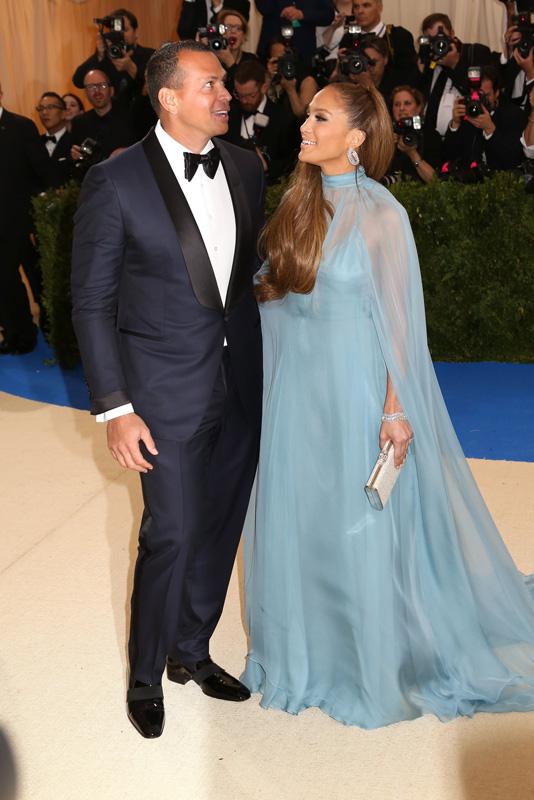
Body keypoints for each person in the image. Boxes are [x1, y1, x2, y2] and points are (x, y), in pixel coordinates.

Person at [241, 79, 534, 728]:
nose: (305, 126)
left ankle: (368, 661)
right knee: (306, 520)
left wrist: (395, 409)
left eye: (320, 117)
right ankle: (307, 650)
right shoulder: (295, 202)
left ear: (356, 136)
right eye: (307, 114)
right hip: (296, 398)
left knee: (358, 522)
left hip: (356, 392)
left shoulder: (381, 214)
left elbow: (400, 324)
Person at [71, 40, 264, 739]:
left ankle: (192, 651)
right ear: (169, 97)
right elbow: (91, 303)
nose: (225, 94)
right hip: (160, 395)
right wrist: (116, 409)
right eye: (210, 84)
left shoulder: (244, 167)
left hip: (238, 381)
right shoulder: (114, 182)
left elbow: (243, 281)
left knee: (218, 526)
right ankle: (145, 673)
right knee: (172, 533)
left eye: (223, 84)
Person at [0, 82, 56, 355]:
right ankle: (16, 333)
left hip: (20, 220)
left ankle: (47, 328)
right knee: (5, 281)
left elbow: (41, 171)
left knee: (33, 277)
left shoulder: (21, 127)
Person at [418, 13, 495, 137]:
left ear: (452, 34)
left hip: (465, 140)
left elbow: (481, 92)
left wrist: (454, 64)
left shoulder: (475, 53)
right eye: (432, 41)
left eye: (440, 38)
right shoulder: (428, 63)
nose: (439, 45)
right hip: (431, 144)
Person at [223, 59, 300, 181]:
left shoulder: (282, 119)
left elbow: (289, 163)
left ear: (264, 88)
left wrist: (266, 167)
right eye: (239, 95)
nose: (244, 101)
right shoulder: (228, 114)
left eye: (250, 95)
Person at [443, 65, 526, 172]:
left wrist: (490, 130)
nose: (480, 101)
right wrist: (455, 124)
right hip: (466, 183)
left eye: (485, 96)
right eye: (476, 95)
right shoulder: (466, 112)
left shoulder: (514, 115)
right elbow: (447, 157)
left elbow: (512, 160)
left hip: (499, 183)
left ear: (497, 93)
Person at [72, 8, 154, 106]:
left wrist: (131, 68)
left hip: (141, 115)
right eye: (114, 30)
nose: (120, 34)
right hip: (111, 118)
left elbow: (155, 89)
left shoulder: (150, 55)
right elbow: (78, 81)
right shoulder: (104, 57)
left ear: (135, 32)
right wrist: (98, 56)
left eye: (125, 29)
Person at [70, 69, 135, 166]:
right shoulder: (79, 123)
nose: (97, 91)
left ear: (111, 90)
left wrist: (127, 152)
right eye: (91, 87)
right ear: (85, 93)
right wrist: (74, 155)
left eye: (102, 85)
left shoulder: (130, 117)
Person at [384, 84, 442, 184]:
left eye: (407, 103)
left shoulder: (430, 135)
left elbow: (436, 181)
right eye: (397, 104)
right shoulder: (385, 136)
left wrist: (412, 153)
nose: (401, 108)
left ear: (419, 108)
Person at [353, 0, 418, 84]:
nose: (360, 11)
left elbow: (410, 77)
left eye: (366, 5)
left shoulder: (399, 36)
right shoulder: (349, 38)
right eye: (356, 6)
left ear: (379, 7)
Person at [255, 0, 335, 66]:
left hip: (303, 49)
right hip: (271, 47)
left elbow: (328, 15)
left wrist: (302, 14)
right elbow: (264, 8)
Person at [265, 37, 319, 118]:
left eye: (285, 58)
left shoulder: (307, 81)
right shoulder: (269, 79)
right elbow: (261, 108)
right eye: (278, 60)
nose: (283, 63)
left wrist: (291, 90)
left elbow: (302, 115)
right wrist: (269, 78)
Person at [213, 9, 258, 96]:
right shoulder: (212, 60)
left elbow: (246, 93)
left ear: (244, 36)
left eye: (238, 28)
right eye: (228, 27)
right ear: (220, 33)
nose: (233, 31)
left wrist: (230, 63)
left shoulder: (252, 60)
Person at [37, 92, 72, 185]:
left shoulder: (74, 141)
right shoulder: (34, 142)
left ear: (64, 113)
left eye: (50, 107)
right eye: (41, 108)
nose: (44, 112)